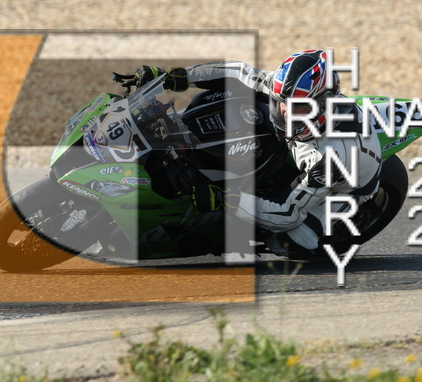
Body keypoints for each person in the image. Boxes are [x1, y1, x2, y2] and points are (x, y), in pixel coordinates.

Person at [127, 50, 382, 258]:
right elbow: (237, 72)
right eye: (282, 103)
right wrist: (175, 78)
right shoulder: (288, 90)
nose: (285, 112)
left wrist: (225, 199)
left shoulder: (331, 159)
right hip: (303, 145)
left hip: (345, 186)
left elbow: (288, 214)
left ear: (323, 105)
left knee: (289, 242)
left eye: (298, 107)